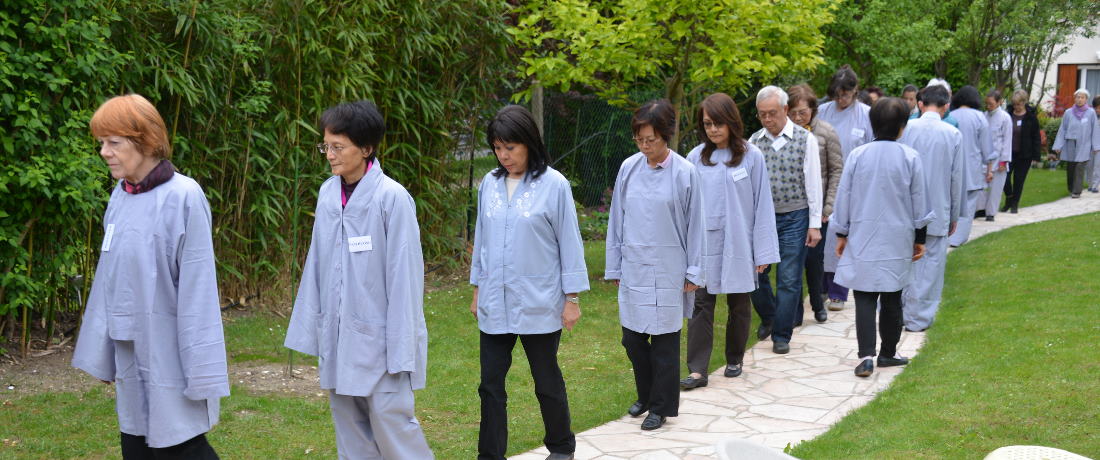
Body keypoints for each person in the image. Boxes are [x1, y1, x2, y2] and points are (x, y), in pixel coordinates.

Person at [72, 94, 228, 459]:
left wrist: (199, 366)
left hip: (171, 347)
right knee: (135, 442)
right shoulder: (120, 196)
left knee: (181, 443)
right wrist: (103, 350)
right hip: (129, 345)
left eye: (114, 143)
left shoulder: (184, 196)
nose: (104, 152)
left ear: (144, 140)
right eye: (101, 143)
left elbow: (198, 289)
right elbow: (108, 277)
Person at [284, 100, 434, 459]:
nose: (329, 155)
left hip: (381, 341)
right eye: (326, 146)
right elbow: (316, 264)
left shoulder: (392, 198)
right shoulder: (327, 193)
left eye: (338, 147)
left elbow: (405, 279)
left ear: (366, 149)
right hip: (338, 337)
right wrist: (313, 328)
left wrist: (402, 348)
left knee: (393, 427)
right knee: (350, 432)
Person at [468, 105, 588, 460]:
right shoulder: (489, 185)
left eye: (511, 147)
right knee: (490, 385)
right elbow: (482, 240)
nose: (504, 156)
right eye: (497, 148)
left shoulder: (554, 185)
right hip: (494, 300)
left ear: (529, 143)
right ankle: (490, 455)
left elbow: (570, 243)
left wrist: (572, 298)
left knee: (546, 380)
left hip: (539, 300)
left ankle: (562, 448)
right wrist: (477, 290)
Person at [606, 99, 704, 431]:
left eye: (651, 139)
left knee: (664, 343)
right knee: (632, 339)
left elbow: (696, 225)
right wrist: (615, 265)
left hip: (669, 267)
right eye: (639, 140)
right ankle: (646, 394)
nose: (645, 146)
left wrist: (694, 271)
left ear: (667, 135)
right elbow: (616, 219)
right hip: (634, 265)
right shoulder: (628, 168)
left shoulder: (685, 173)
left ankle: (660, 407)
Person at [680, 93, 779, 390]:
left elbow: (762, 205)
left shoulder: (752, 156)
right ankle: (697, 370)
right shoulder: (695, 158)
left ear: (731, 122)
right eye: (707, 124)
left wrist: (763, 252)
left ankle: (734, 359)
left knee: (739, 304)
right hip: (704, 245)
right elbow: (685, 206)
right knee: (701, 304)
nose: (713, 129)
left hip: (739, 242)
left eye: (718, 123)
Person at [832, 97, 933, 377]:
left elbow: (844, 197)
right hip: (897, 237)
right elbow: (920, 201)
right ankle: (888, 352)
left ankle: (866, 356)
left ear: (872, 124)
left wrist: (841, 232)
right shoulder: (910, 157)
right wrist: (920, 237)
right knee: (892, 295)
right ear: (903, 126)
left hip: (863, 234)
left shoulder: (858, 155)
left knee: (864, 296)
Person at [748, 86, 823, 354]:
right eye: (762, 114)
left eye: (772, 113)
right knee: (756, 275)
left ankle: (781, 334)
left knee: (789, 278)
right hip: (763, 218)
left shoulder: (805, 139)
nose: (768, 119)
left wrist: (814, 223)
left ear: (785, 110)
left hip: (795, 215)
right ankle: (771, 316)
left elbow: (813, 182)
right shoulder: (754, 142)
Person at [899, 85, 964, 333]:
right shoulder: (953, 134)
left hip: (905, 209)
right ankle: (918, 318)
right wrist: (954, 215)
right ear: (946, 106)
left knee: (902, 261)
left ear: (920, 104)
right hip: (937, 207)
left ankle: (897, 312)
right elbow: (956, 179)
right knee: (930, 268)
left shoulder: (906, 129)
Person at [816, 65, 871, 312]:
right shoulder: (822, 112)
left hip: (853, 186)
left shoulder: (866, 115)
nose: (841, 100)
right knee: (822, 239)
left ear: (855, 90)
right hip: (824, 182)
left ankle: (839, 291)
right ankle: (821, 287)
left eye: (845, 95)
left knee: (842, 237)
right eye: (837, 95)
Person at [787, 84, 842, 323]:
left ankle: (818, 302)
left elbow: (836, 171)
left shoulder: (827, 132)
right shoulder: (784, 134)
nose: (798, 118)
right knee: (793, 260)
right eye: (793, 113)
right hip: (792, 207)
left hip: (818, 210)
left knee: (814, 259)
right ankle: (795, 311)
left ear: (813, 110)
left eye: (803, 112)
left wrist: (827, 208)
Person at [947, 86, 995, 247]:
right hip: (972, 169)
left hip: (951, 168)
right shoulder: (979, 118)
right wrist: (989, 169)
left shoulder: (950, 116)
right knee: (967, 206)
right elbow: (986, 148)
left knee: (950, 202)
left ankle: (948, 235)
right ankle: (958, 239)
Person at [1051, 89, 1099, 197]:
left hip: (1084, 144)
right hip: (1070, 143)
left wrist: (1096, 146)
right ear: (1075, 98)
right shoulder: (1068, 112)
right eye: (1078, 97)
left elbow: (1095, 130)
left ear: (1086, 99)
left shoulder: (1091, 113)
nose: (1080, 99)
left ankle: (1077, 191)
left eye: (1082, 97)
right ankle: (1071, 188)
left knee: (1079, 167)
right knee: (1071, 167)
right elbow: (1062, 129)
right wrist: (1058, 145)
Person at [1001, 90, 1042, 213]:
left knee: (1019, 180)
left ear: (1024, 102)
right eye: (1014, 104)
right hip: (1008, 153)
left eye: (1018, 104)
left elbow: (1036, 137)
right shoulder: (1008, 114)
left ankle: (1015, 203)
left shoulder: (1031, 117)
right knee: (1004, 177)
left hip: (1024, 154)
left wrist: (1036, 156)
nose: (1016, 107)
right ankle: (1009, 197)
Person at [981, 90, 1013, 221]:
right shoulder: (983, 116)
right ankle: (980, 209)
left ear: (999, 102)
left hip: (999, 157)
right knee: (982, 187)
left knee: (996, 188)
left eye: (991, 104)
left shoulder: (1005, 118)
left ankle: (991, 213)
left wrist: (1004, 161)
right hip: (985, 157)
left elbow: (1007, 140)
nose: (988, 106)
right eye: (987, 104)